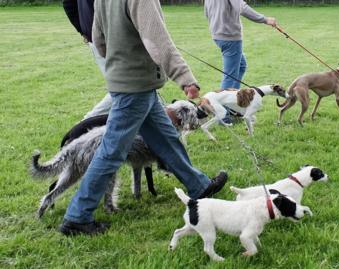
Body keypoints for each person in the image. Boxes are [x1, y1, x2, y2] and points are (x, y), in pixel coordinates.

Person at [58, 0, 228, 236]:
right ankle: (77, 217)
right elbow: (158, 40)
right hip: (135, 85)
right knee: (111, 151)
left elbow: (99, 39)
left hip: (129, 81)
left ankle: (199, 186)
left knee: (167, 138)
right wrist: (185, 78)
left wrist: (120, 60)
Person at [63, 0, 112, 119]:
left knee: (137, 87)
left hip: (98, 37)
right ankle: (87, 121)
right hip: (109, 39)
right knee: (124, 88)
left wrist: (84, 30)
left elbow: (69, 4)